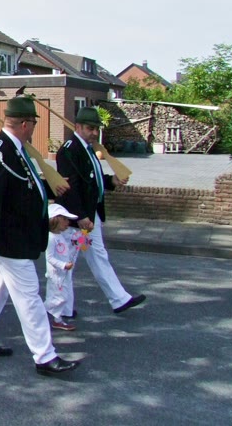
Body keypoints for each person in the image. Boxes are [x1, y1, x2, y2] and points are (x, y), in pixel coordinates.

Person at [0, 96, 79, 376]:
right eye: (34, 124)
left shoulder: (15, 149)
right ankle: (45, 356)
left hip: (14, 235)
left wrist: (46, 213)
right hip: (8, 239)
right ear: (26, 124)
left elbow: (24, 192)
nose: (34, 129)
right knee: (29, 297)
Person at [56, 107, 145, 314]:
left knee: (97, 256)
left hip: (90, 216)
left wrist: (111, 181)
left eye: (96, 129)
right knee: (67, 261)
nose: (94, 133)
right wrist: (80, 216)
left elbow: (92, 180)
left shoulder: (87, 148)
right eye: (90, 128)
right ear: (78, 127)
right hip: (76, 220)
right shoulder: (69, 150)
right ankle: (61, 308)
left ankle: (119, 299)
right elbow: (70, 187)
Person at [44, 204, 80, 331]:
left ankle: (57, 320)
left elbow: (66, 250)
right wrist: (63, 265)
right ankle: (40, 310)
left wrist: (78, 242)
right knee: (59, 297)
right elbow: (49, 257)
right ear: (55, 220)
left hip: (62, 274)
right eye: (64, 219)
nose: (68, 222)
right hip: (55, 274)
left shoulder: (60, 236)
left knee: (62, 296)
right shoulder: (51, 238)